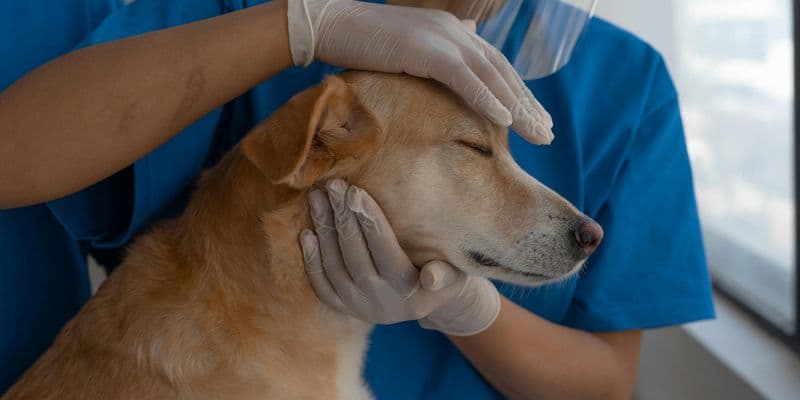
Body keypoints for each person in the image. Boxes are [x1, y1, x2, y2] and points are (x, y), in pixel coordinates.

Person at [0, 0, 714, 398]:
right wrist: (301, 24)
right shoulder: (240, 20)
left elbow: (604, 387)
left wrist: (466, 311)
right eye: (472, 152)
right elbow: (13, 154)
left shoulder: (624, 83)